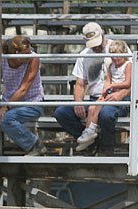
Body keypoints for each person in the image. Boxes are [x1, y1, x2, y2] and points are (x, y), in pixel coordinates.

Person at [53, 22, 132, 156]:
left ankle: (106, 148)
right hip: (96, 98)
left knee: (106, 114)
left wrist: (121, 94)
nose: (95, 47)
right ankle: (90, 140)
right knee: (61, 113)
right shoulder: (84, 55)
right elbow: (80, 84)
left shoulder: (118, 48)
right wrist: (78, 101)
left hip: (117, 98)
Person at [76, 40, 132, 151]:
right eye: (113, 57)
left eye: (118, 57)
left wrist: (114, 87)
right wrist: (104, 92)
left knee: (105, 114)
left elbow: (128, 82)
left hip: (121, 97)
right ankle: (89, 134)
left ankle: (106, 147)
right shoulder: (111, 65)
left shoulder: (128, 65)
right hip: (109, 93)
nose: (115, 59)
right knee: (92, 107)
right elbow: (107, 80)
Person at [0, 35, 46, 155]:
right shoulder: (4, 57)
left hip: (32, 103)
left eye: (30, 51)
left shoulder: (34, 59)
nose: (29, 54)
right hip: (10, 101)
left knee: (5, 119)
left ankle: (35, 145)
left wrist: (5, 106)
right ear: (15, 53)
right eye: (26, 53)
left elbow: (24, 89)